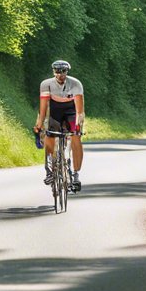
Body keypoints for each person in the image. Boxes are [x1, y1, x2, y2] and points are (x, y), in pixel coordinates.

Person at [34, 59, 85, 192]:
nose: (60, 75)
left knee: (75, 138)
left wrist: (79, 126)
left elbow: (80, 110)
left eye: (63, 72)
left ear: (67, 72)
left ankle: (75, 174)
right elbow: (43, 108)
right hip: (55, 112)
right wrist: (39, 125)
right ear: (53, 72)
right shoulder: (46, 84)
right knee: (49, 136)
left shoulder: (75, 84)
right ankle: (50, 170)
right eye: (57, 72)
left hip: (71, 112)